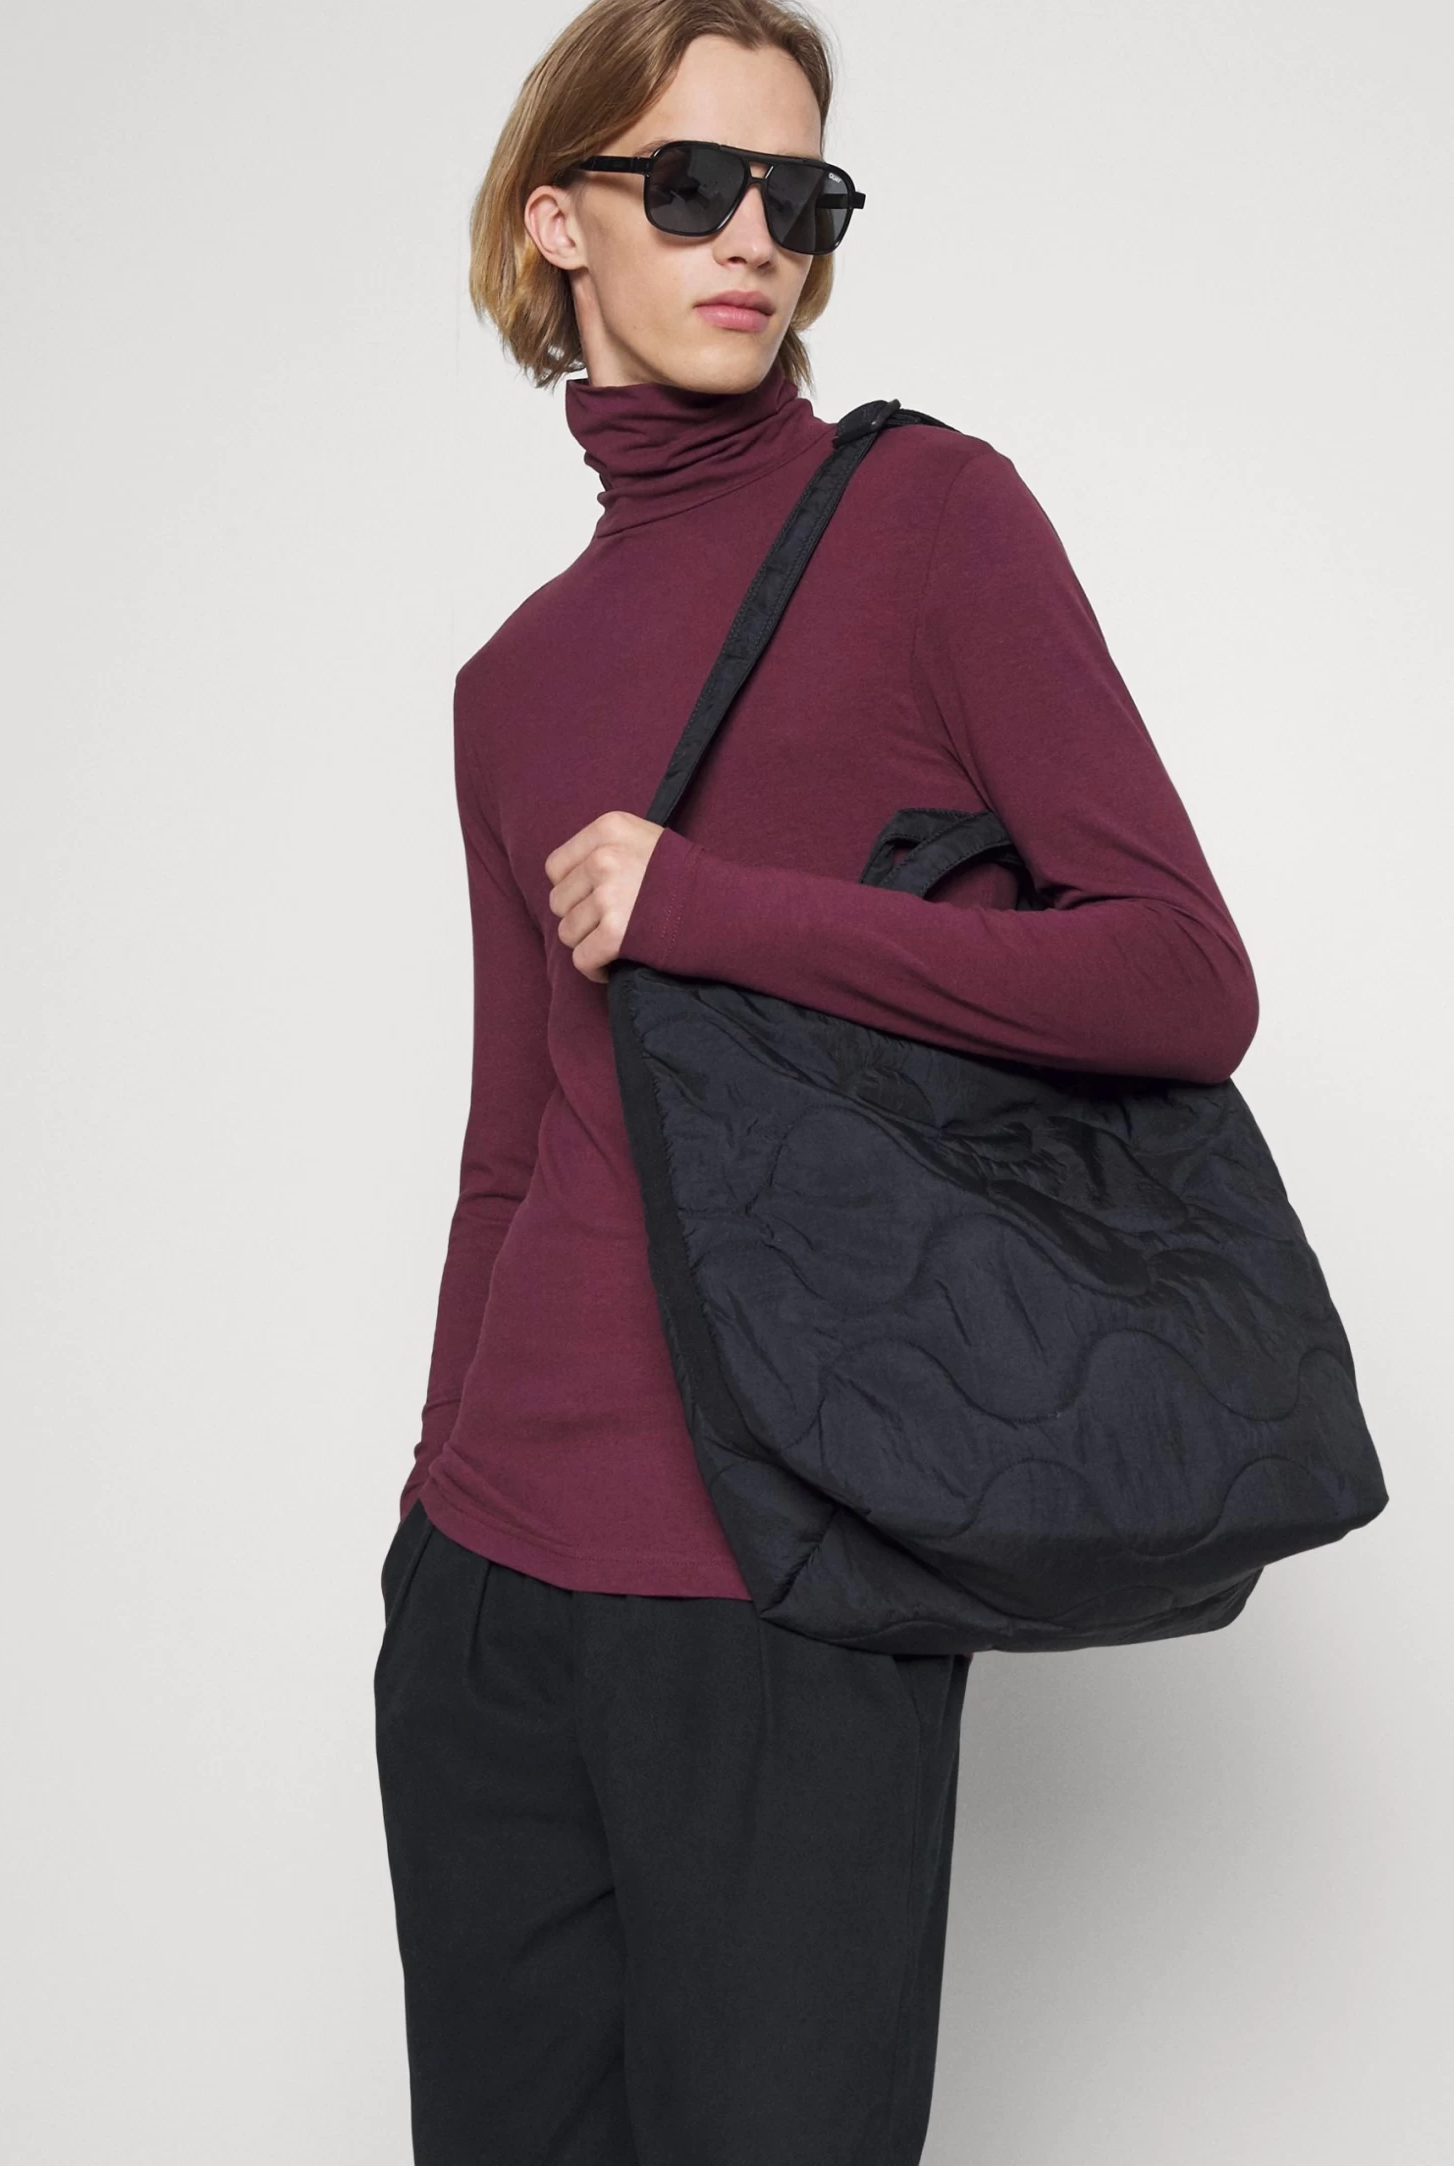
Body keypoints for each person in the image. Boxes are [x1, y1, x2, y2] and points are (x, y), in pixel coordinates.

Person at [373, 2, 1259, 2160]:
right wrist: (427, 1525)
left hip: (787, 1580)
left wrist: (715, 909)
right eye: (694, 185)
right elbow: (515, 1142)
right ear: (560, 218)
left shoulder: (932, 521)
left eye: (802, 194)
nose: (753, 238)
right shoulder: (510, 683)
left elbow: (1181, 977)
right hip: (489, 1590)